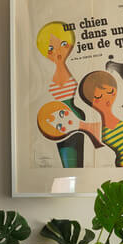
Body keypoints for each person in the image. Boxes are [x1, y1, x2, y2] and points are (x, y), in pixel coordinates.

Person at [35, 20, 85, 167]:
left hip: (76, 119)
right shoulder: (46, 75)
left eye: (63, 45)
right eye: (51, 48)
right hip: (58, 124)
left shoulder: (76, 67)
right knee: (69, 162)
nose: (57, 52)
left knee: (79, 159)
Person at [78, 71, 123, 168]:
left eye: (110, 92)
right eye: (98, 97)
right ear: (92, 101)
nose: (107, 99)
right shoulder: (101, 127)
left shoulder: (112, 120)